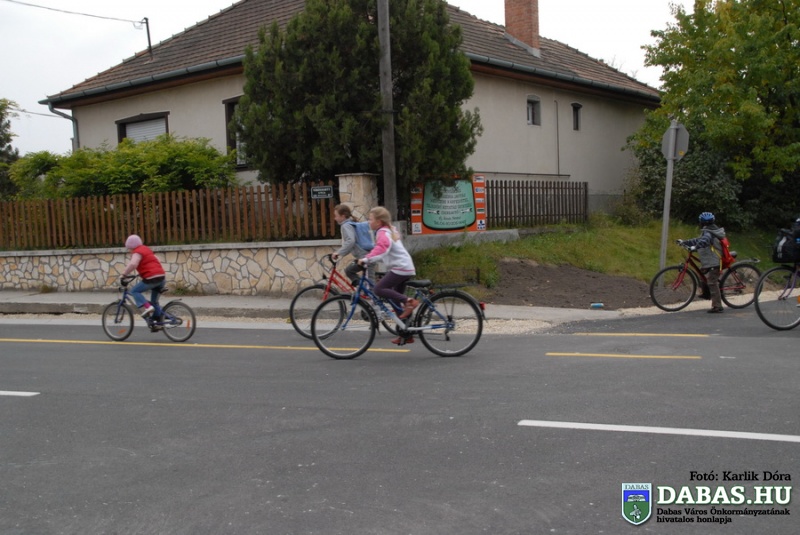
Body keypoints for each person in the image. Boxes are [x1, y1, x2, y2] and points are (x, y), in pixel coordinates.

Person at [357, 206, 418, 344]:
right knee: (395, 300)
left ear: (378, 221)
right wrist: (369, 258)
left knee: (378, 289)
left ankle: (409, 301)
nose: (368, 222)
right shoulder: (388, 230)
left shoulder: (383, 232)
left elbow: (381, 249)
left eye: (370, 219)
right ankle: (406, 333)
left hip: (401, 268)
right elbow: (384, 251)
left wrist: (365, 259)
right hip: (404, 267)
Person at [677, 212, 726, 313]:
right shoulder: (709, 231)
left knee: (712, 282)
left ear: (702, 223)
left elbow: (703, 241)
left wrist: (695, 247)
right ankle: (706, 294)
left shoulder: (708, 233)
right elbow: (698, 240)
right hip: (710, 260)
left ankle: (717, 306)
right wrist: (685, 242)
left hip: (715, 261)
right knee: (702, 272)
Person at [121, 234, 166, 317]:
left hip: (152, 278)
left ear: (131, 247)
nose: (129, 251)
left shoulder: (137, 252)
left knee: (134, 291)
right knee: (154, 302)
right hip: (161, 277)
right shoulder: (147, 250)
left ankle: (147, 307)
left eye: (129, 248)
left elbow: (133, 264)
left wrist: (124, 274)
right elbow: (155, 261)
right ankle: (158, 319)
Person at [331, 204, 373, 284]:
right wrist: (340, 253)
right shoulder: (351, 223)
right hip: (364, 256)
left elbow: (350, 241)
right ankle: (362, 288)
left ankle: (367, 290)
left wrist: (338, 252)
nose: (335, 218)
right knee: (349, 271)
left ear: (343, 216)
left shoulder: (346, 226)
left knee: (370, 283)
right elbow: (351, 245)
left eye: (336, 216)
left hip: (365, 257)